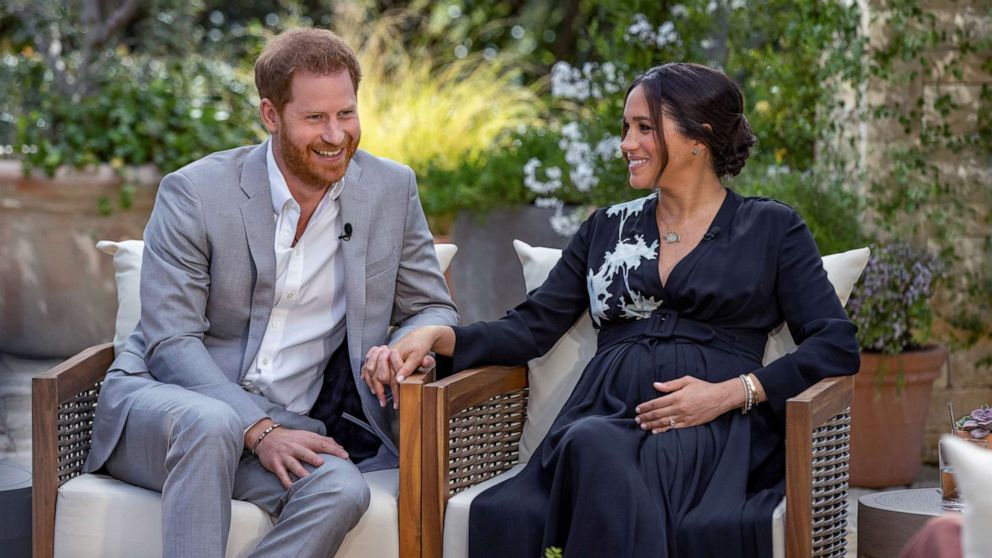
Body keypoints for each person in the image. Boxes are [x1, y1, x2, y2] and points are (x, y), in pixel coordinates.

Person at [388, 63, 860, 558]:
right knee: (588, 443)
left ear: (699, 137)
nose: (626, 143)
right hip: (603, 414)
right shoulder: (606, 230)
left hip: (708, 429)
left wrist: (731, 394)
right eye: (625, 128)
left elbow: (835, 343)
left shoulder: (771, 228)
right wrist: (440, 337)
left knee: (592, 448)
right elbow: (531, 327)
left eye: (644, 127)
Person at [82, 28, 457, 557]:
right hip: (165, 414)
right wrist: (255, 428)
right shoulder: (195, 193)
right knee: (211, 422)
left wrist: (414, 338)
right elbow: (171, 343)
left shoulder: (391, 189)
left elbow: (432, 304)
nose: (336, 135)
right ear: (270, 114)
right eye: (314, 118)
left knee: (341, 489)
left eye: (346, 114)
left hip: (286, 424)